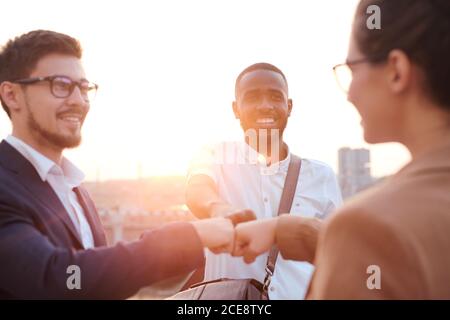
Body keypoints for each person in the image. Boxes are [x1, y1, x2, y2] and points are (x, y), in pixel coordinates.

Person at [233, 0, 450, 299]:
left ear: (396, 70)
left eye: (351, 69)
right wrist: (287, 231)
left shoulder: (364, 224)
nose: (350, 93)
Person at [0, 30, 234, 299]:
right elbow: (58, 278)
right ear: (12, 95)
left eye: (83, 87)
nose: (78, 100)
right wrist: (194, 236)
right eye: (60, 85)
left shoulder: (75, 190)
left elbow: (97, 283)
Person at [186, 62, 342, 299]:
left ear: (289, 106)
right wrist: (219, 210)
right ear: (235, 109)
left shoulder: (321, 176)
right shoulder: (214, 155)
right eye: (252, 98)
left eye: (275, 97)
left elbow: (335, 250)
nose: (265, 106)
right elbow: (197, 190)